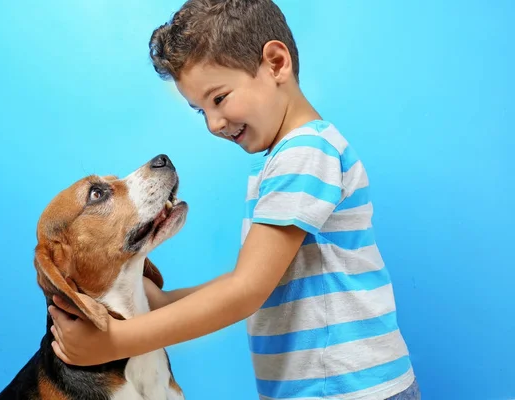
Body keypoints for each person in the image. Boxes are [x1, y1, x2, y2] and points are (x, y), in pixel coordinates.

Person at [47, 1, 420, 398]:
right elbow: (265, 281)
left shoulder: (305, 153)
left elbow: (246, 291)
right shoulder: (286, 158)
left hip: (350, 389)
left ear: (276, 63)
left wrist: (117, 342)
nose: (213, 124)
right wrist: (167, 300)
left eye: (219, 98)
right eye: (200, 111)